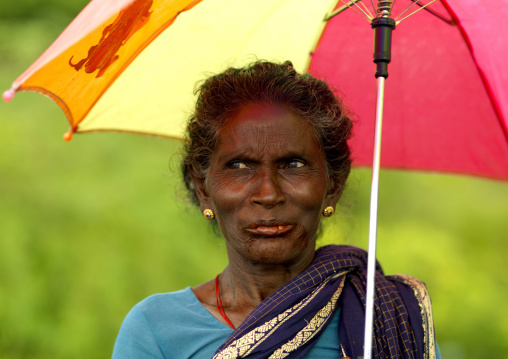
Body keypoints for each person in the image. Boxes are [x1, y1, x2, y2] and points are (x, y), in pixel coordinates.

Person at [112, 61, 438, 359]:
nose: (268, 194)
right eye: (239, 165)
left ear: (333, 185)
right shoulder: (157, 331)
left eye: (293, 164)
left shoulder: (387, 318)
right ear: (203, 188)